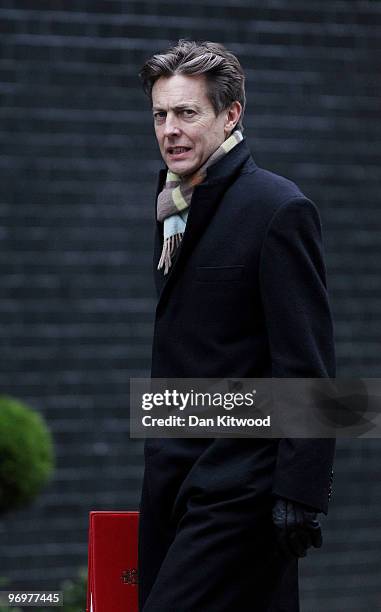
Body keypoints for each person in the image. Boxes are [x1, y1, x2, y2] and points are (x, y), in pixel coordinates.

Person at [138, 40, 335, 612]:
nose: (170, 129)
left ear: (231, 115)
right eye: (160, 114)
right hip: (172, 479)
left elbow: (307, 361)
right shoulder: (174, 203)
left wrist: (301, 492)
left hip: (239, 485)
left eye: (186, 112)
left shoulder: (279, 209)